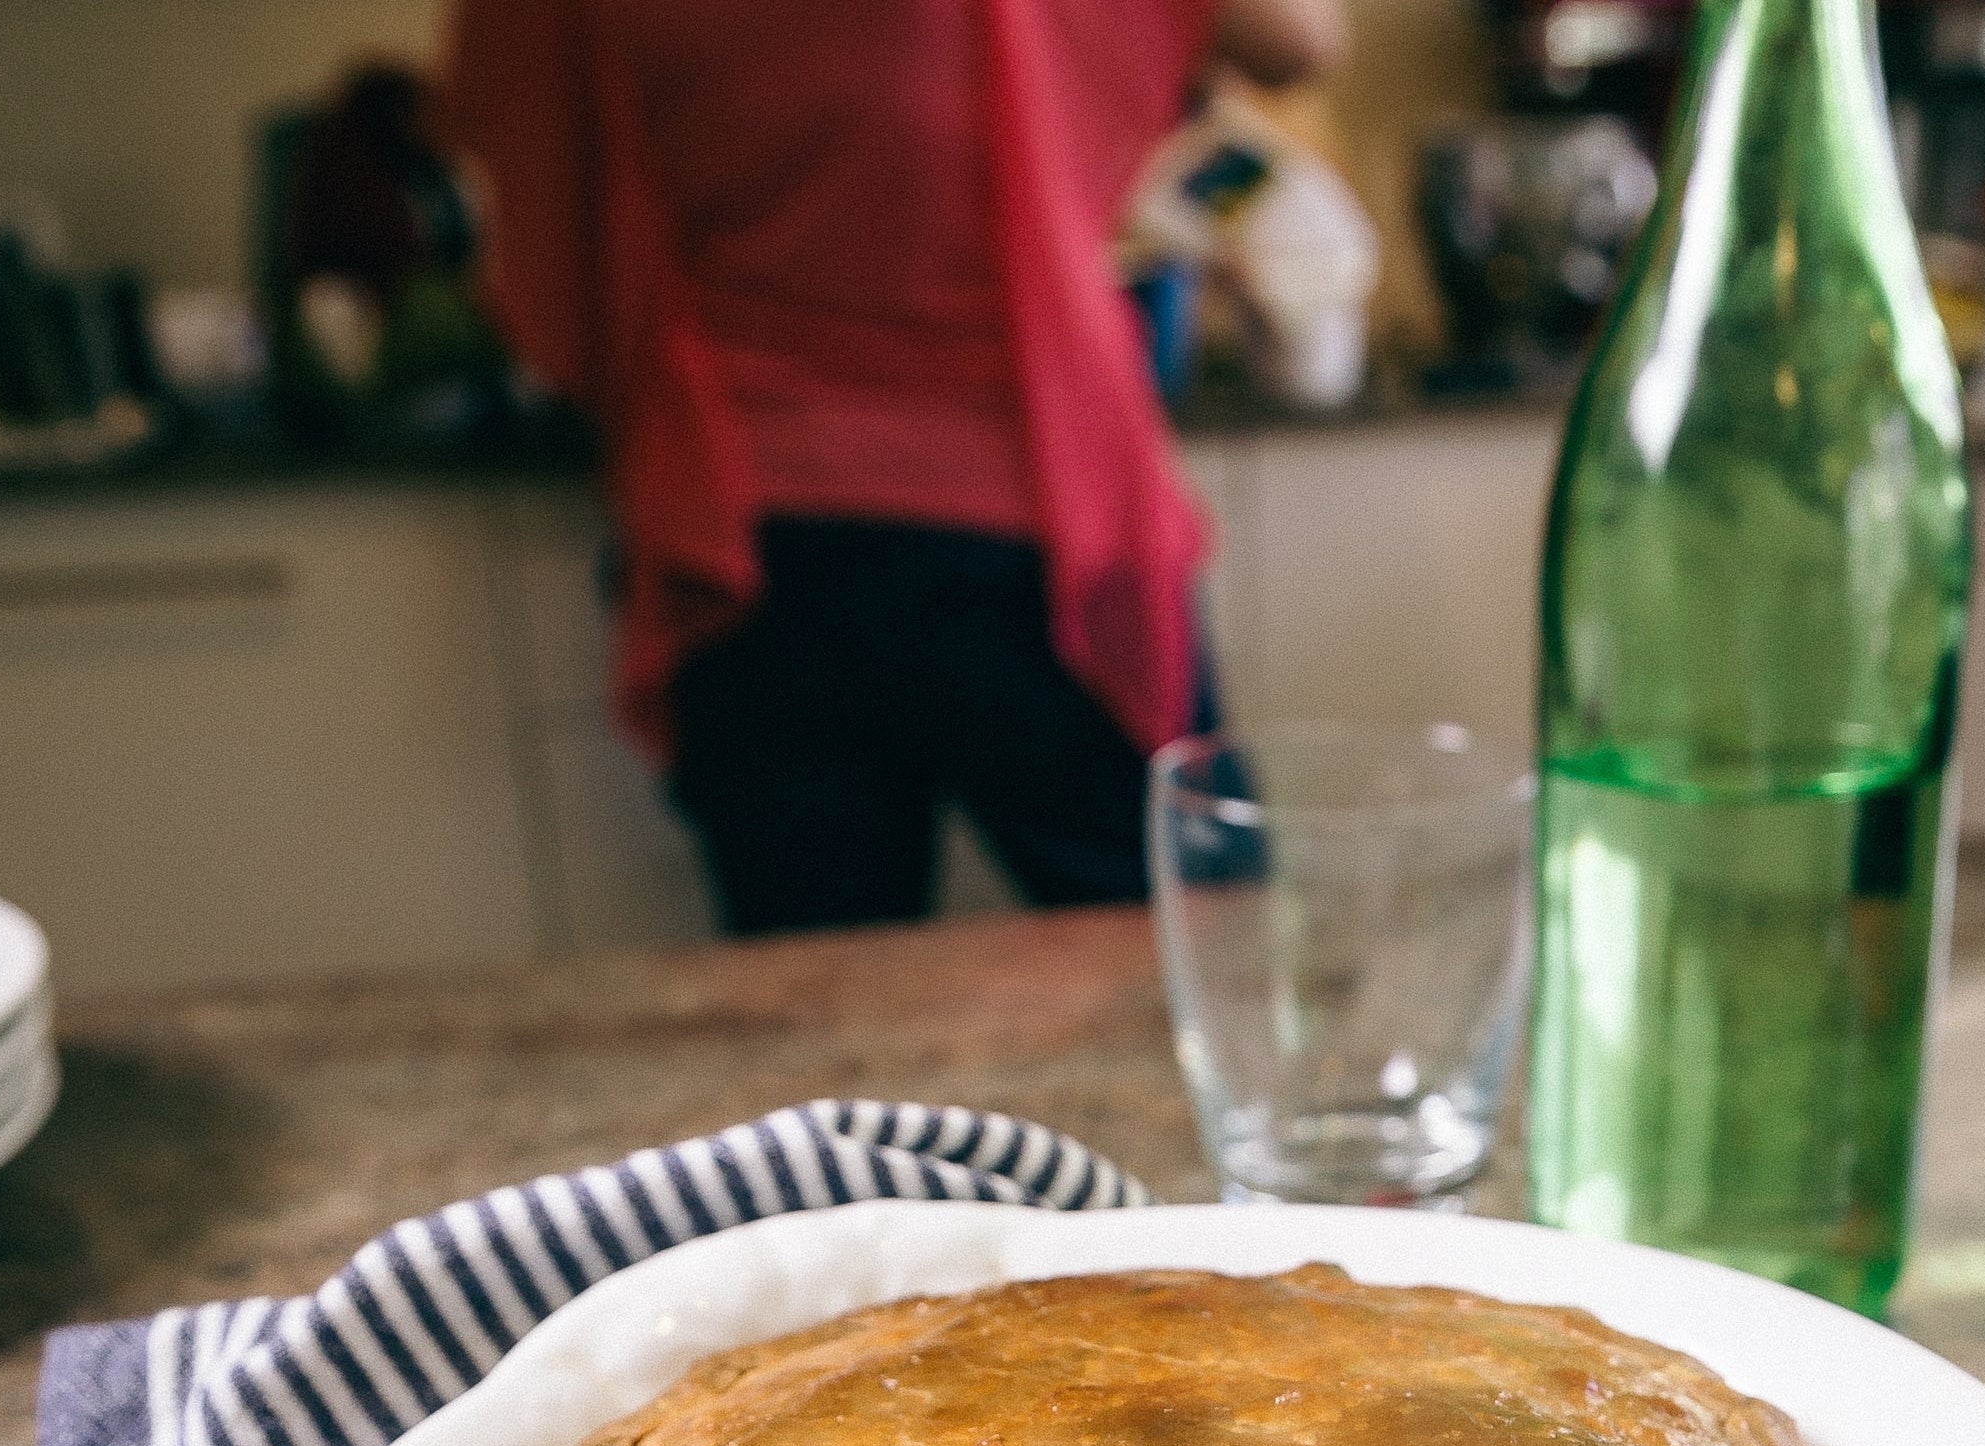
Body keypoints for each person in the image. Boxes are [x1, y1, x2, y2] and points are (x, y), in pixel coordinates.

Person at [448, 0, 1344, 934]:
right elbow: (1300, 36)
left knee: (821, 1004)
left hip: (749, 533)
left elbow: (536, 221)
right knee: (1206, 958)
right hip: (1031, 513)